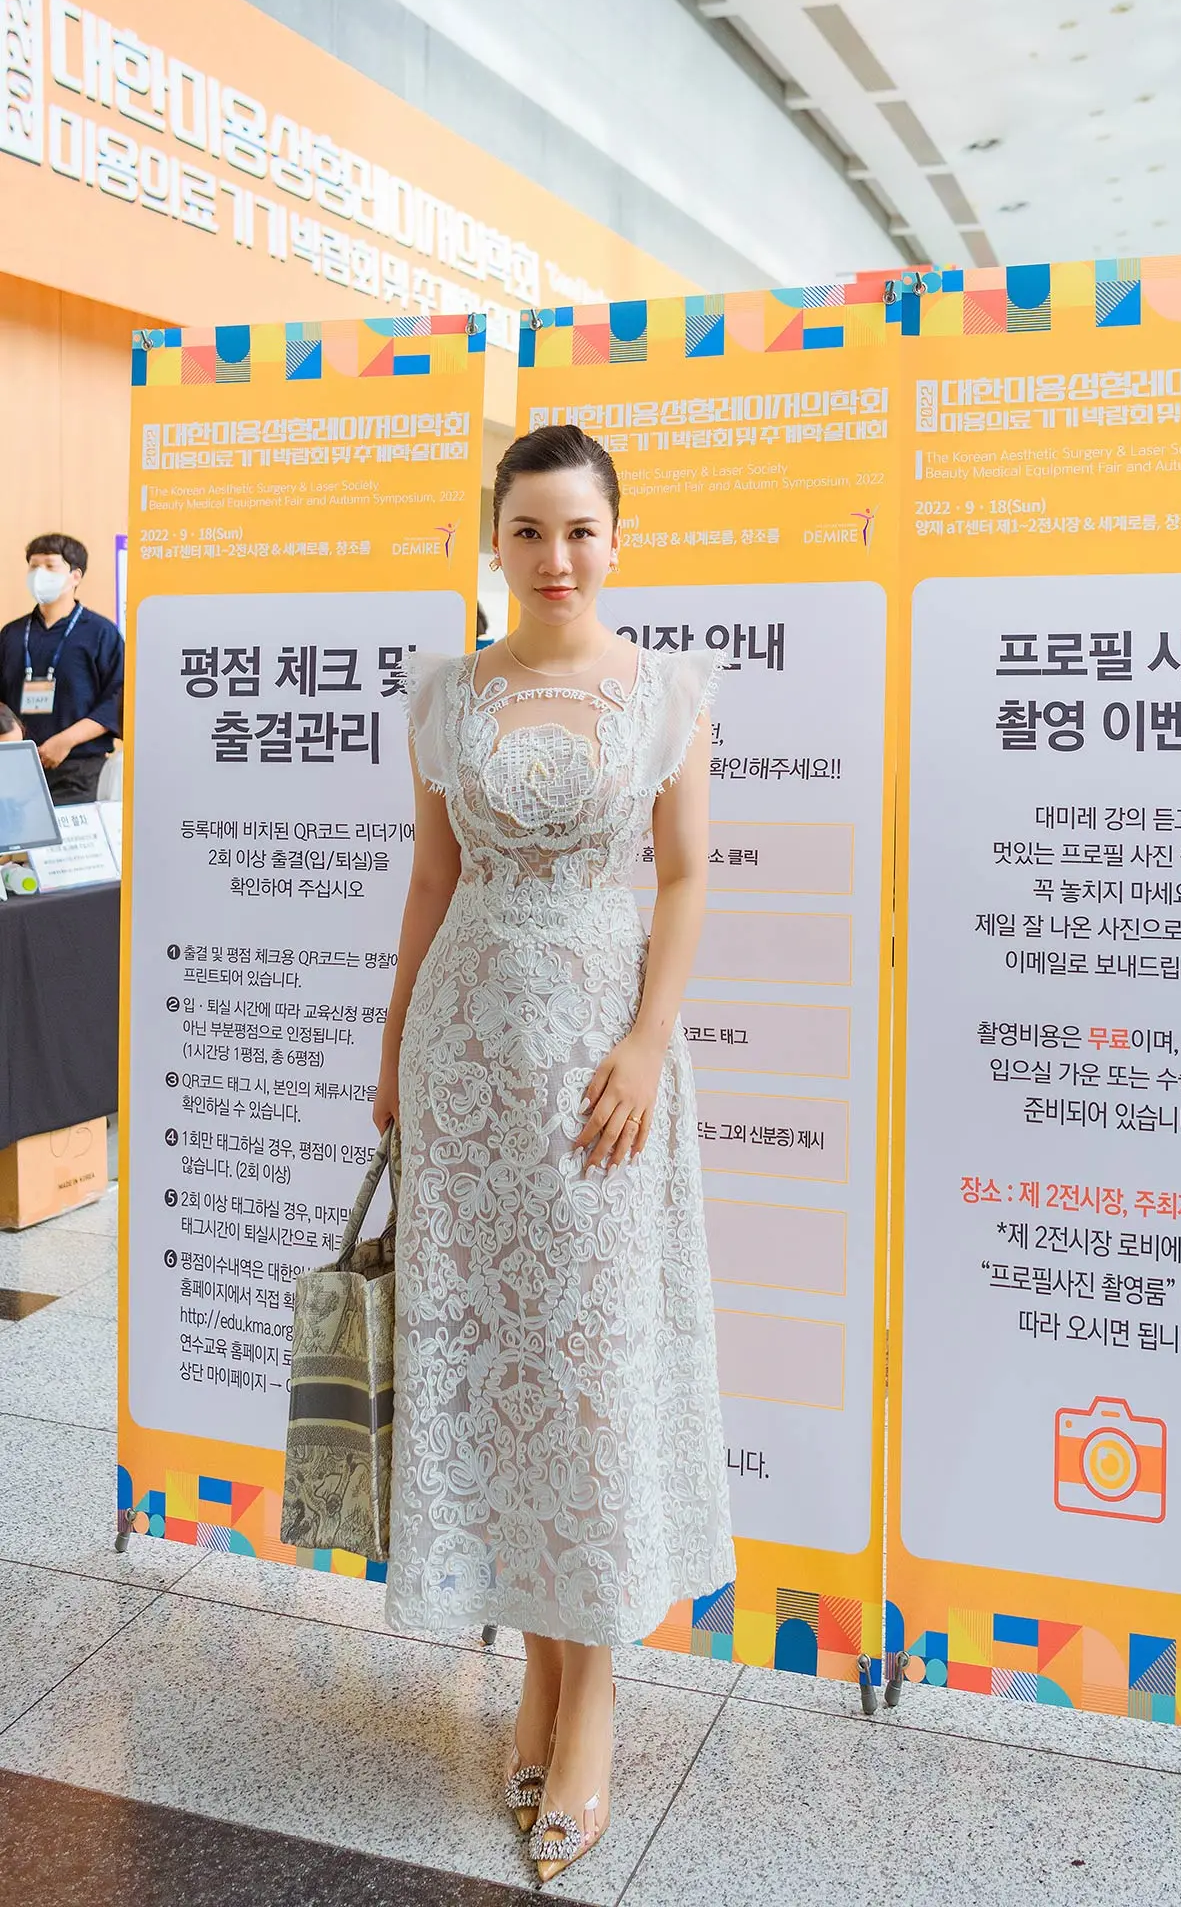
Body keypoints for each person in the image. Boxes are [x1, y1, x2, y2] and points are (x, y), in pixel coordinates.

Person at [374, 424, 733, 1885]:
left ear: (615, 538)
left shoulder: (666, 693)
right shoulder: (445, 693)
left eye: (579, 529)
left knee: (585, 1376)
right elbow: (431, 880)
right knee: (495, 1365)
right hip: (466, 1064)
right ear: (496, 542)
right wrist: (394, 1055)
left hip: (597, 1071)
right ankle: (535, 1667)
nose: (555, 557)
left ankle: (590, 1698)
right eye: (528, 530)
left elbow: (687, 875)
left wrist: (647, 1041)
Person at [0, 534, 124, 805]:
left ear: (75, 576)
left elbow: (117, 698)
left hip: (78, 768)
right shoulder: (12, 633)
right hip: (18, 768)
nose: (39, 574)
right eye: (34, 566)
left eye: (50, 566)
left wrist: (65, 741)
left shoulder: (101, 633)